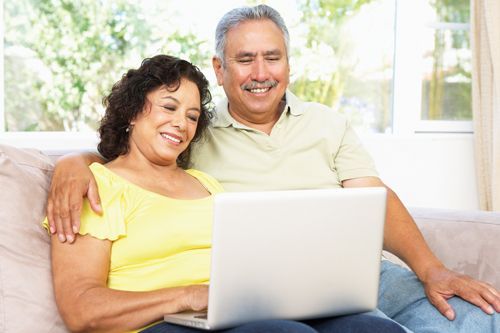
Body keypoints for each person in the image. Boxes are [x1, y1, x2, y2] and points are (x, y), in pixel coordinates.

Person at [47, 5, 500, 333]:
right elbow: (127, 162)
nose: (260, 72)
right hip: (245, 304)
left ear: (288, 62)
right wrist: (74, 163)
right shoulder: (199, 140)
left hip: (348, 277)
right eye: (244, 60)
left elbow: (374, 197)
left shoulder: (322, 125)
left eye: (272, 57)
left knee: (471, 323)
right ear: (221, 70)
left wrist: (432, 269)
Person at [43, 54, 405, 333]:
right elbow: (81, 309)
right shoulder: (94, 185)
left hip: (235, 313)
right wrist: (189, 295)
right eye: (169, 107)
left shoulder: (206, 183)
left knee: (373, 327)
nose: (180, 124)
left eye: (192, 115)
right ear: (132, 112)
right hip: (162, 325)